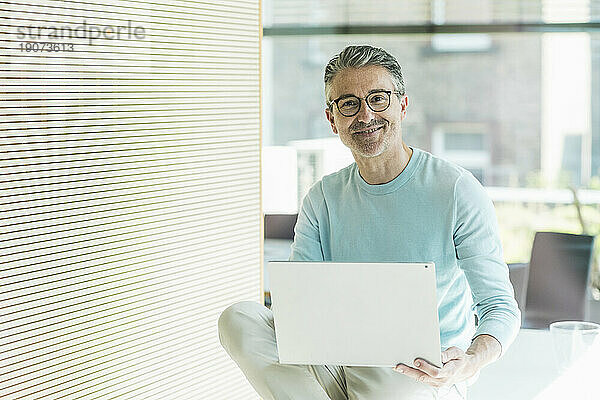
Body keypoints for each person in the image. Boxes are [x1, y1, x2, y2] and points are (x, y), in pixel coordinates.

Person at [218, 44, 521, 399]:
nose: (365, 115)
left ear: (402, 105)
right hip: (337, 358)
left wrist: (468, 361)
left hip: (418, 369)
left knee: (390, 380)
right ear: (332, 119)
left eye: (378, 98)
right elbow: (300, 309)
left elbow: (500, 307)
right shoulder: (323, 198)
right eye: (349, 103)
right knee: (238, 320)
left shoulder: (456, 190)